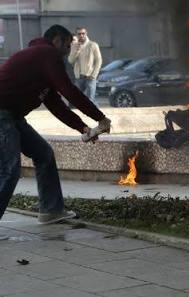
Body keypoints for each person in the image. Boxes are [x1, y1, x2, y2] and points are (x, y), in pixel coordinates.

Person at [0, 25, 111, 240]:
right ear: (57, 40)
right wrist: (100, 118)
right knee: (9, 169)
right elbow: (69, 90)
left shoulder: (41, 63)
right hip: (1, 114)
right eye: (69, 44)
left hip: (11, 115)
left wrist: (84, 128)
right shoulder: (47, 54)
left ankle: (51, 210)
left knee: (44, 154)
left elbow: (57, 105)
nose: (70, 49)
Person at [68, 27, 102, 106]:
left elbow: (98, 61)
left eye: (83, 33)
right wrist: (76, 50)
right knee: (75, 99)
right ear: (77, 35)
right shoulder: (74, 46)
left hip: (90, 77)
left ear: (86, 34)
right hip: (79, 77)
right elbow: (70, 60)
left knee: (90, 100)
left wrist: (94, 75)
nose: (81, 35)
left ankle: (98, 115)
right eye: (79, 34)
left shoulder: (93, 45)